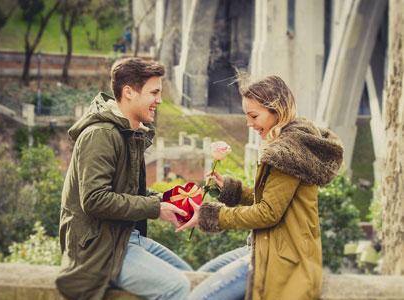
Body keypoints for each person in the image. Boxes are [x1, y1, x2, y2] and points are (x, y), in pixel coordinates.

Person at [178, 75, 344, 300]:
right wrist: (233, 190)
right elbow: (276, 200)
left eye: (254, 116)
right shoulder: (294, 143)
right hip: (271, 247)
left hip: (281, 257)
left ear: (277, 110)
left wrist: (213, 215)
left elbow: (268, 213)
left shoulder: (287, 153)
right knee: (203, 273)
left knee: (199, 297)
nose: (249, 123)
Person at [56, 57, 192, 300]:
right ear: (129, 92)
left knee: (190, 277)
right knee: (178, 287)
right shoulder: (100, 135)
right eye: (154, 93)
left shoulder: (127, 133)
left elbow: (129, 196)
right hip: (100, 252)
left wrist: (166, 202)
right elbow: (95, 200)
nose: (159, 100)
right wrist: (154, 207)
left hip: (125, 238)